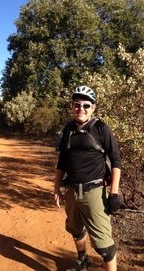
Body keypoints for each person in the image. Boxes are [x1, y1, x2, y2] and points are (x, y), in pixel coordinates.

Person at [54, 85, 122, 271]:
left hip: (94, 192)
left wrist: (114, 194)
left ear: (93, 107)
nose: (81, 109)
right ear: (72, 106)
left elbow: (116, 161)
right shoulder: (68, 129)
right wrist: (56, 187)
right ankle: (83, 260)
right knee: (75, 229)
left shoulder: (101, 129)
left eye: (86, 105)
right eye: (77, 104)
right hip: (72, 190)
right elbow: (62, 161)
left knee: (104, 246)